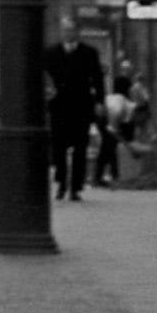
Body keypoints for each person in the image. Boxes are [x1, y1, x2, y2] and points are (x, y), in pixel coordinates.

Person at [42, 19, 104, 201]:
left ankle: (76, 186)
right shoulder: (51, 53)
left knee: (80, 146)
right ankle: (61, 182)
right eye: (65, 30)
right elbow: (43, 78)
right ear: (61, 32)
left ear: (77, 32)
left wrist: (99, 101)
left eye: (71, 30)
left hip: (81, 105)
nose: (68, 33)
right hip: (59, 105)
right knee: (59, 146)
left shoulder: (89, 53)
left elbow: (97, 78)